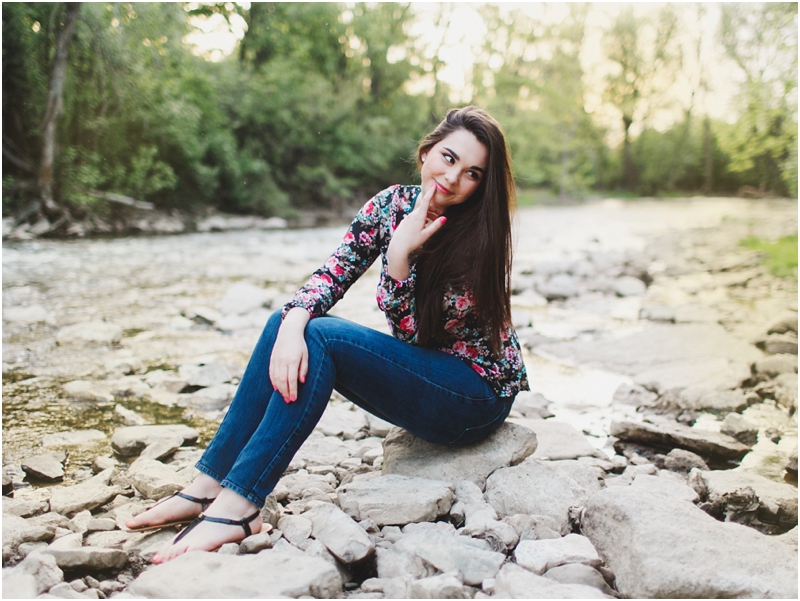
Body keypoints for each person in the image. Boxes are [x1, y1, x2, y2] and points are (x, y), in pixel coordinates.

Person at [125, 106, 529, 563]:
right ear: (426, 152)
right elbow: (331, 274)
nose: (454, 178)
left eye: (473, 173)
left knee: (324, 338)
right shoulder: (389, 205)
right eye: (449, 158)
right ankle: (207, 485)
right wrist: (295, 319)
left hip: (474, 395)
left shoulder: (478, 233)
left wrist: (398, 259)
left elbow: (420, 337)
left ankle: (240, 506)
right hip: (429, 378)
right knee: (287, 323)